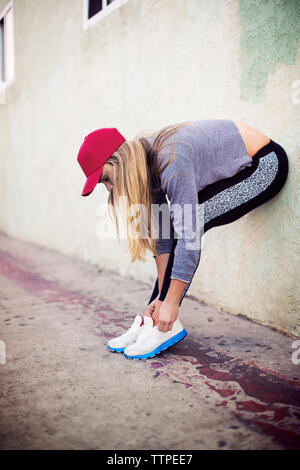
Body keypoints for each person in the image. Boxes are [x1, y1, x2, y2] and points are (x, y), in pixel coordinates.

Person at [76, 120, 289, 360]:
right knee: (180, 222)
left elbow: (188, 233)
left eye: (105, 179)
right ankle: (152, 320)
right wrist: (160, 297)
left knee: (193, 218)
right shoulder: (146, 164)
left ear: (118, 160)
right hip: (245, 169)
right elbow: (163, 237)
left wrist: (171, 302)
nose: (108, 188)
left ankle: (165, 325)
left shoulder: (170, 159)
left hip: (266, 165)